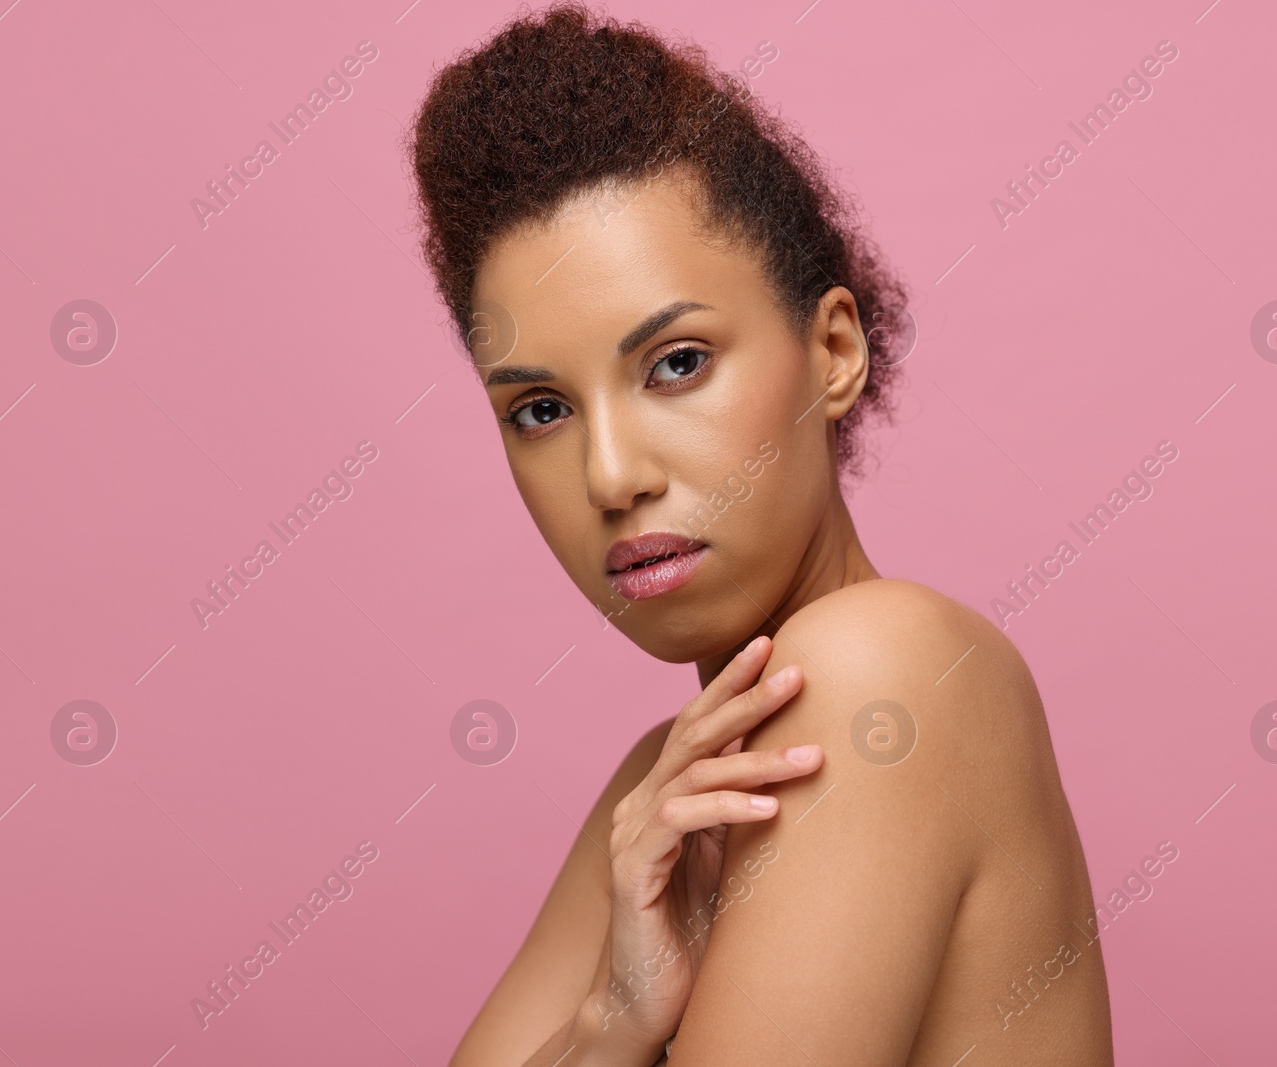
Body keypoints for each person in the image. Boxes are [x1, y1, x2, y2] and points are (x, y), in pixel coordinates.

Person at [403, 4, 1113, 1064]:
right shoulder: (667, 795)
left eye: (676, 362)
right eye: (540, 409)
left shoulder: (883, 670)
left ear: (833, 349)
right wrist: (612, 1020)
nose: (610, 475)